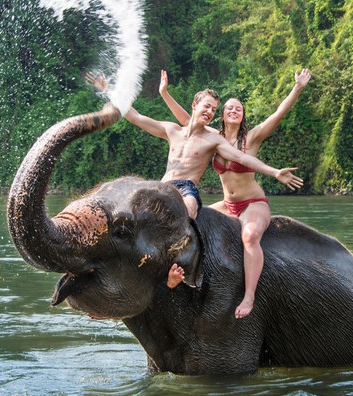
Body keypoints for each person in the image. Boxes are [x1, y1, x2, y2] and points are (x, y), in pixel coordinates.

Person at [85, 72, 304, 291]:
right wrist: (108, 89)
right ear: (195, 106)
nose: (210, 112)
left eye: (213, 109)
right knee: (127, 216)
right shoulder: (173, 130)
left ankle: (181, 272)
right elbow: (135, 116)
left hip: (189, 189)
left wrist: (274, 172)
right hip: (162, 188)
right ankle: (103, 264)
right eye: (208, 107)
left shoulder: (216, 139)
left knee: (188, 213)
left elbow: (242, 157)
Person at [159, 68, 312, 318]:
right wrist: (165, 93)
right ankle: (179, 276)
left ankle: (249, 296)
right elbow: (189, 119)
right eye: (228, 107)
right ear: (221, 114)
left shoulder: (252, 138)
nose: (233, 110)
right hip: (227, 204)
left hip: (253, 202)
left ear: (242, 116)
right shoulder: (213, 138)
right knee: (193, 221)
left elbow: (278, 114)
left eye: (238, 109)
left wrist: (297, 88)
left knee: (250, 236)